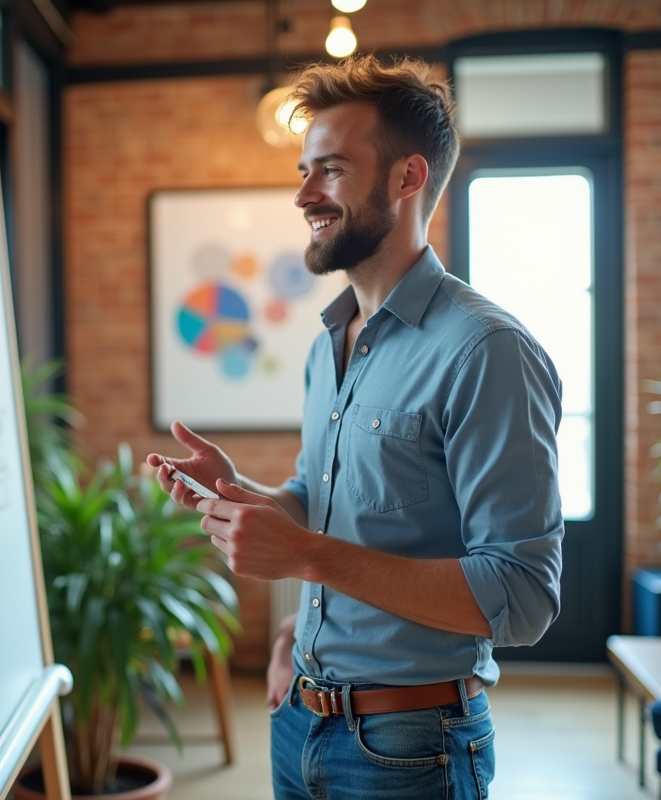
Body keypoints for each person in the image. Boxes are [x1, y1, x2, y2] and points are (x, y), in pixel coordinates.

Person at [147, 53, 563, 800]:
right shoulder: (326, 344)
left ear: (407, 179)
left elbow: (523, 594)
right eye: (305, 170)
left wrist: (306, 555)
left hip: (410, 750)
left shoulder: (485, 351)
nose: (304, 193)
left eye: (330, 170)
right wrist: (244, 493)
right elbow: (324, 498)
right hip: (299, 719)